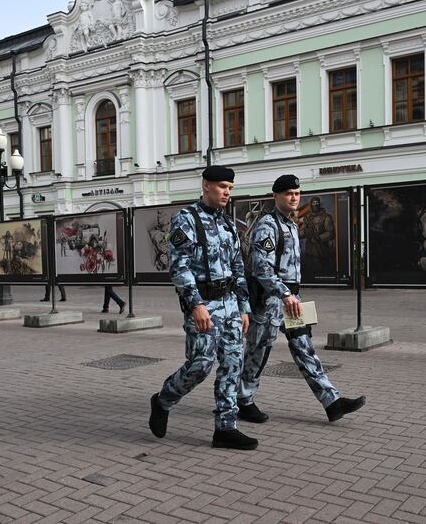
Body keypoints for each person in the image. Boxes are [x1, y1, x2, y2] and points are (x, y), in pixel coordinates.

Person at [238, 174, 366, 424]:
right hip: (270, 302)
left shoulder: (292, 225)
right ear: (276, 196)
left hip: (293, 300)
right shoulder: (267, 225)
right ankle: (243, 400)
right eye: (288, 193)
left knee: (304, 347)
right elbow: (262, 270)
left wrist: (292, 295)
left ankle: (332, 402)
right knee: (258, 352)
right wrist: (285, 294)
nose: (294, 197)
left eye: (297, 193)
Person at [148, 165, 257, 450]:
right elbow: (179, 267)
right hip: (204, 305)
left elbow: (238, 268)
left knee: (233, 364)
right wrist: (195, 305)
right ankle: (163, 400)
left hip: (230, 304)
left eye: (230, 188)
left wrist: (244, 307)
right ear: (206, 185)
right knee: (200, 365)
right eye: (222, 186)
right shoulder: (186, 220)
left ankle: (225, 428)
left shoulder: (228, 224)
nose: (227, 193)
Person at [299, 196, 335, 281]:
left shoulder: (326, 217)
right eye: (313, 203)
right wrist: (305, 232)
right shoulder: (307, 218)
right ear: (311, 205)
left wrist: (319, 238)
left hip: (322, 250)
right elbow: (302, 232)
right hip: (310, 251)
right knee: (310, 272)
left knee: (323, 271)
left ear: (319, 204)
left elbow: (331, 233)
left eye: (317, 203)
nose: (315, 205)